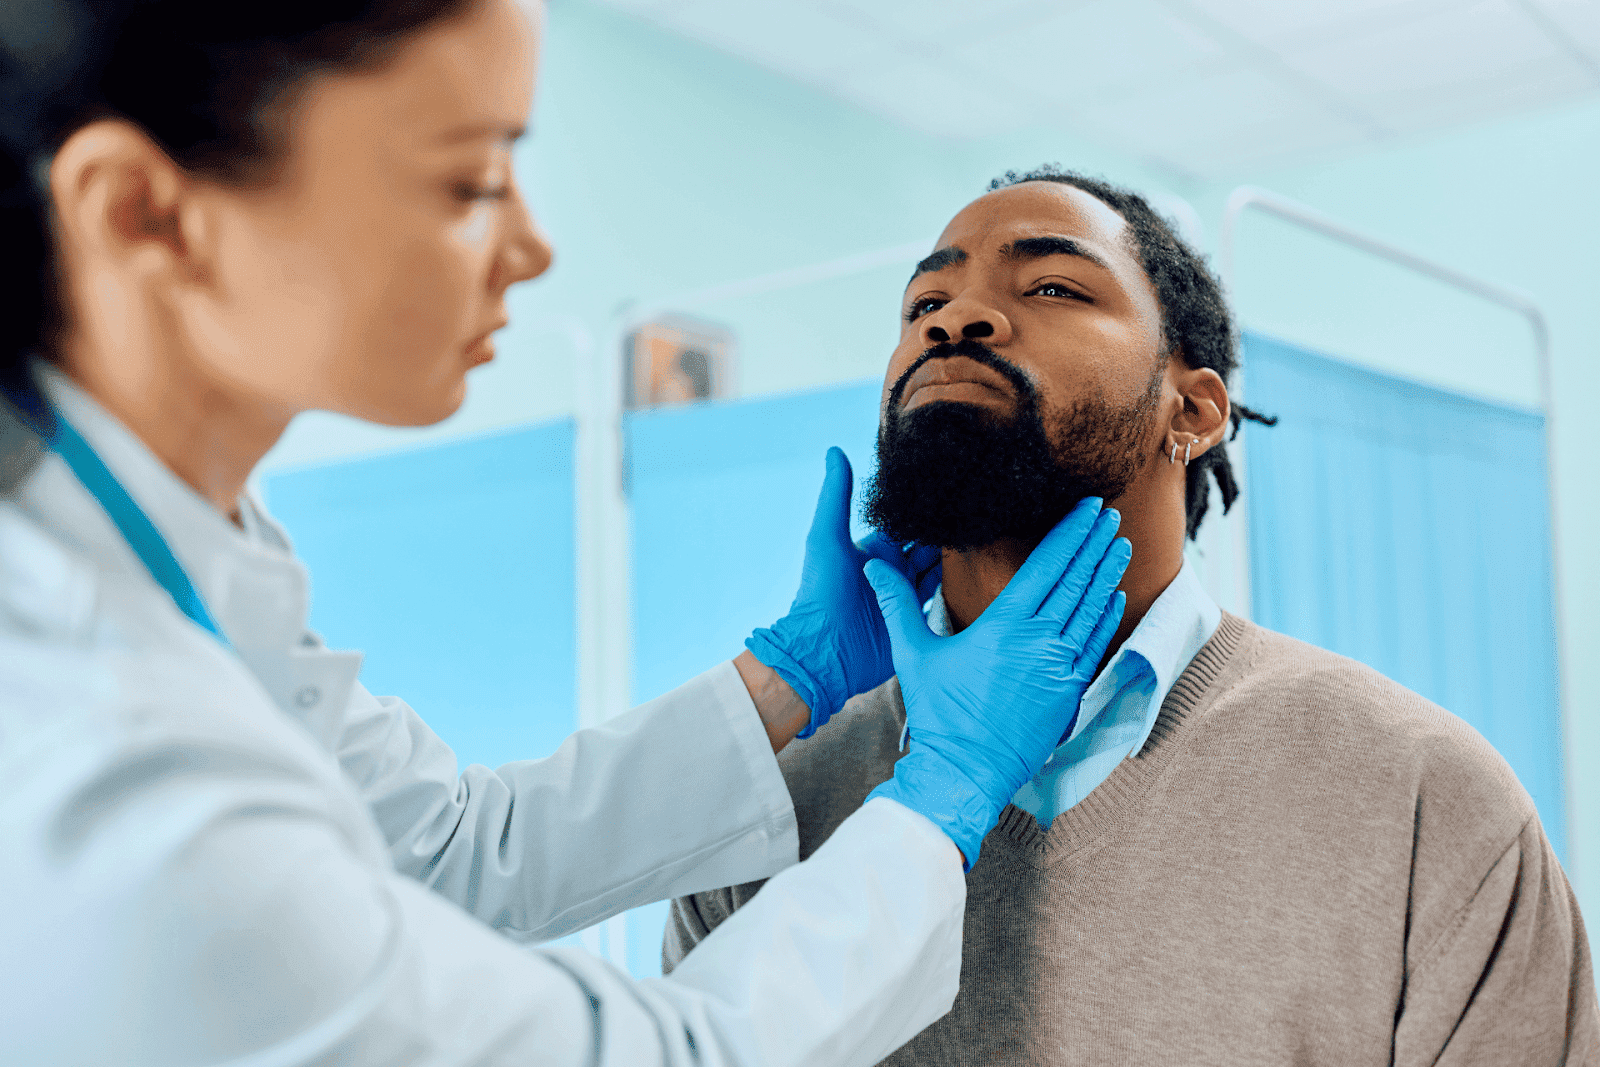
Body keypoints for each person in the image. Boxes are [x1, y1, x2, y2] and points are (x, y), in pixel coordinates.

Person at [0, 6, 1136, 1065]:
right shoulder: (92, 754)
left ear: (1199, 405)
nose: (535, 247)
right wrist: (943, 792)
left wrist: (786, 676)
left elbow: (457, 849)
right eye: (470, 182)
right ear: (143, 211)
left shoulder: (175, 562)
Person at [664, 167, 1600, 1065]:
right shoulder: (773, 807)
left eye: (1054, 287)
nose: (954, 319)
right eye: (923, 305)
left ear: (1193, 410)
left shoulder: (1419, 792)